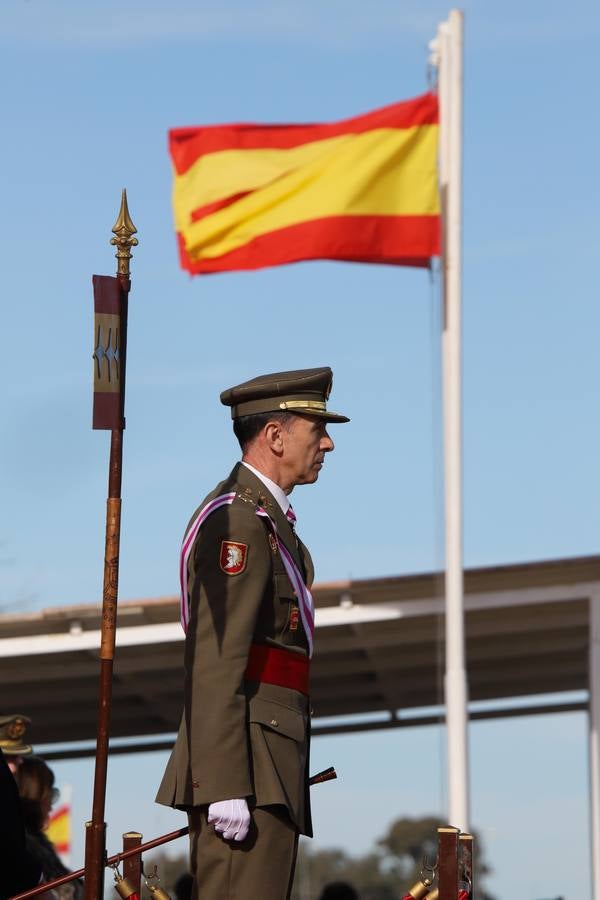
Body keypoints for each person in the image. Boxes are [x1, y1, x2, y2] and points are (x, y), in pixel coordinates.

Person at [156, 367, 349, 900]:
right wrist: (224, 783)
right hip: (247, 767)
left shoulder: (265, 520)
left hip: (267, 762)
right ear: (275, 436)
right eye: (318, 430)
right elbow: (217, 658)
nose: (328, 443)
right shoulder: (238, 523)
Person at [14, 756, 83, 900]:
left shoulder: (30, 843)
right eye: (50, 795)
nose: (51, 806)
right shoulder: (23, 847)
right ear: (35, 797)